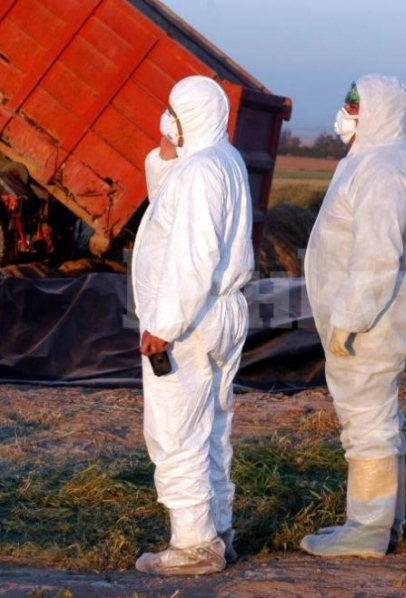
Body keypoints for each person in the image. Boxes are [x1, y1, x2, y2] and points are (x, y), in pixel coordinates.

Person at [300, 74, 406, 558]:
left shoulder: (384, 168)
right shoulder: (374, 160)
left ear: (378, 110)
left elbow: (377, 255)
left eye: (357, 103)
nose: (347, 110)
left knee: (367, 420)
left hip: (371, 323)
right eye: (347, 100)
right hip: (371, 319)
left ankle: (367, 528)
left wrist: (350, 317)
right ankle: (383, 524)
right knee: (377, 416)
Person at [132, 75, 253, 576]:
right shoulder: (221, 159)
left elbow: (193, 255)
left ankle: (192, 546)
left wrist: (164, 323)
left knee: (177, 428)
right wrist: (167, 145)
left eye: (174, 112)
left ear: (193, 116)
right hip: (218, 314)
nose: (169, 120)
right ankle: (217, 530)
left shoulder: (203, 170)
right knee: (211, 427)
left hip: (191, 319)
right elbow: (167, 202)